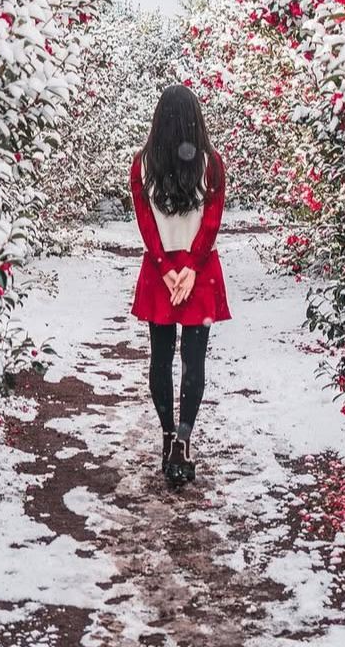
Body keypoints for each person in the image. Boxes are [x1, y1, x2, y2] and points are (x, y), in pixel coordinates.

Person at [129, 84, 231, 487]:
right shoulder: (212, 164)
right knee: (194, 360)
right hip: (199, 271)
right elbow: (212, 220)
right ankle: (184, 443)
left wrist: (166, 267)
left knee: (160, 357)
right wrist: (191, 267)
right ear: (195, 118)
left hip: (160, 273)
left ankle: (168, 434)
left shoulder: (142, 163)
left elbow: (144, 221)